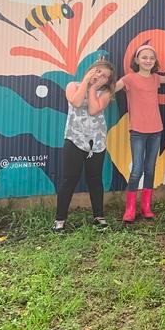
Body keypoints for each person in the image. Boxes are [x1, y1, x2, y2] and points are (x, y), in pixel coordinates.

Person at [115, 44, 165, 223]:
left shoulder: (155, 78)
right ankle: (130, 209)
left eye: (151, 58)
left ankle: (146, 206)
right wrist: (97, 75)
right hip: (137, 130)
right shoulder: (129, 79)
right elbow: (112, 88)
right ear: (137, 60)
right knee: (137, 170)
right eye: (144, 57)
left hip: (156, 130)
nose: (148, 61)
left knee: (150, 169)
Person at [53, 59, 116, 233]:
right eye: (98, 72)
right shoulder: (73, 85)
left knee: (95, 180)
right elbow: (76, 102)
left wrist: (94, 88)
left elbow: (94, 110)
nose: (100, 77)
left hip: (96, 142)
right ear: (91, 71)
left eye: (105, 76)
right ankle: (60, 220)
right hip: (74, 139)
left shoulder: (105, 92)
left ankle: (99, 216)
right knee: (69, 180)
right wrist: (87, 82)